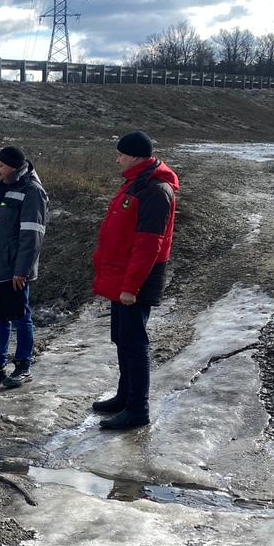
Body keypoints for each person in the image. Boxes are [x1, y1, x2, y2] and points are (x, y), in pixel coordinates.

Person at [90, 130, 179, 430]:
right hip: (122, 274)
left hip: (136, 279)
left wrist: (131, 287)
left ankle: (138, 409)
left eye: (121, 155)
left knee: (134, 342)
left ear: (137, 157)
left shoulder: (155, 190)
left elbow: (148, 244)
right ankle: (124, 396)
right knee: (122, 338)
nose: (117, 159)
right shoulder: (136, 183)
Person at [0, 145, 49, 388]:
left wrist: (21, 270)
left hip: (14, 270)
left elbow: (32, 235)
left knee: (19, 316)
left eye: (1, 165)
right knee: (0, 316)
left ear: (14, 168)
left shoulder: (31, 191)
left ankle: (23, 365)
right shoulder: (0, 188)